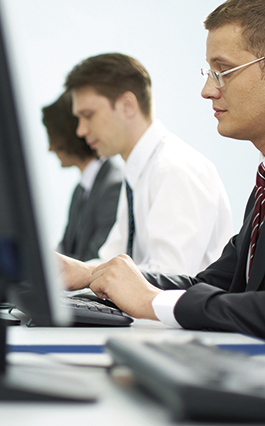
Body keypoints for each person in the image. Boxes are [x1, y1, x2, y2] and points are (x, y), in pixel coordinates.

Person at [61, 0, 265, 370]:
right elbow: (212, 284)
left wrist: (152, 301)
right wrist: (93, 274)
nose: (207, 90)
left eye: (223, 71)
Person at [63, 52, 232, 275]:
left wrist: (86, 275)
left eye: (88, 115)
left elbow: (168, 278)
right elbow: (110, 260)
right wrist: (66, 269)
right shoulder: (137, 174)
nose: (81, 130)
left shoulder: (175, 169)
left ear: (127, 105)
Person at [42, 91, 123, 261]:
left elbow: (95, 262)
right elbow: (65, 249)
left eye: (52, 135)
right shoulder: (81, 190)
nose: (50, 148)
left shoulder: (113, 187)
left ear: (68, 134)